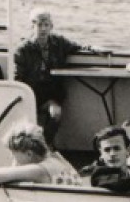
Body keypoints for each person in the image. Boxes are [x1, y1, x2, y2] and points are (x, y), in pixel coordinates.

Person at [12, 8, 107, 145]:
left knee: (56, 113)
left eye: (46, 25)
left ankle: (45, 145)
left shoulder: (58, 42)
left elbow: (78, 47)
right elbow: (18, 79)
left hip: (51, 95)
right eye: (39, 25)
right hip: (31, 93)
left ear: (51, 26)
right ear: (32, 26)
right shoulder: (23, 49)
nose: (43, 29)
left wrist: (94, 48)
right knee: (27, 125)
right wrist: (26, 99)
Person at [0, 122, 84, 187]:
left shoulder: (39, 170)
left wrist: (14, 165)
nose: (12, 158)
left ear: (29, 154)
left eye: (14, 154)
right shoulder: (56, 158)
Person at [80, 126, 130, 193]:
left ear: (127, 150)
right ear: (101, 155)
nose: (112, 154)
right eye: (107, 150)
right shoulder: (98, 174)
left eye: (117, 148)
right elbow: (121, 183)